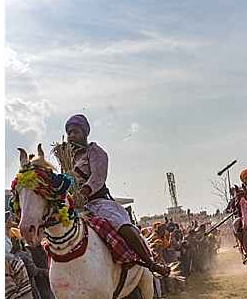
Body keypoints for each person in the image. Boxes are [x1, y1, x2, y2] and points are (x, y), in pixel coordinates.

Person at [64, 114, 170, 276]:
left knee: (121, 225)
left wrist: (83, 192)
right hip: (78, 208)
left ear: (85, 133)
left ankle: (151, 263)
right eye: (69, 133)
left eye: (76, 132)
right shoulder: (69, 161)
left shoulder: (95, 152)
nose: (71, 136)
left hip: (98, 202)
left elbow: (98, 177)